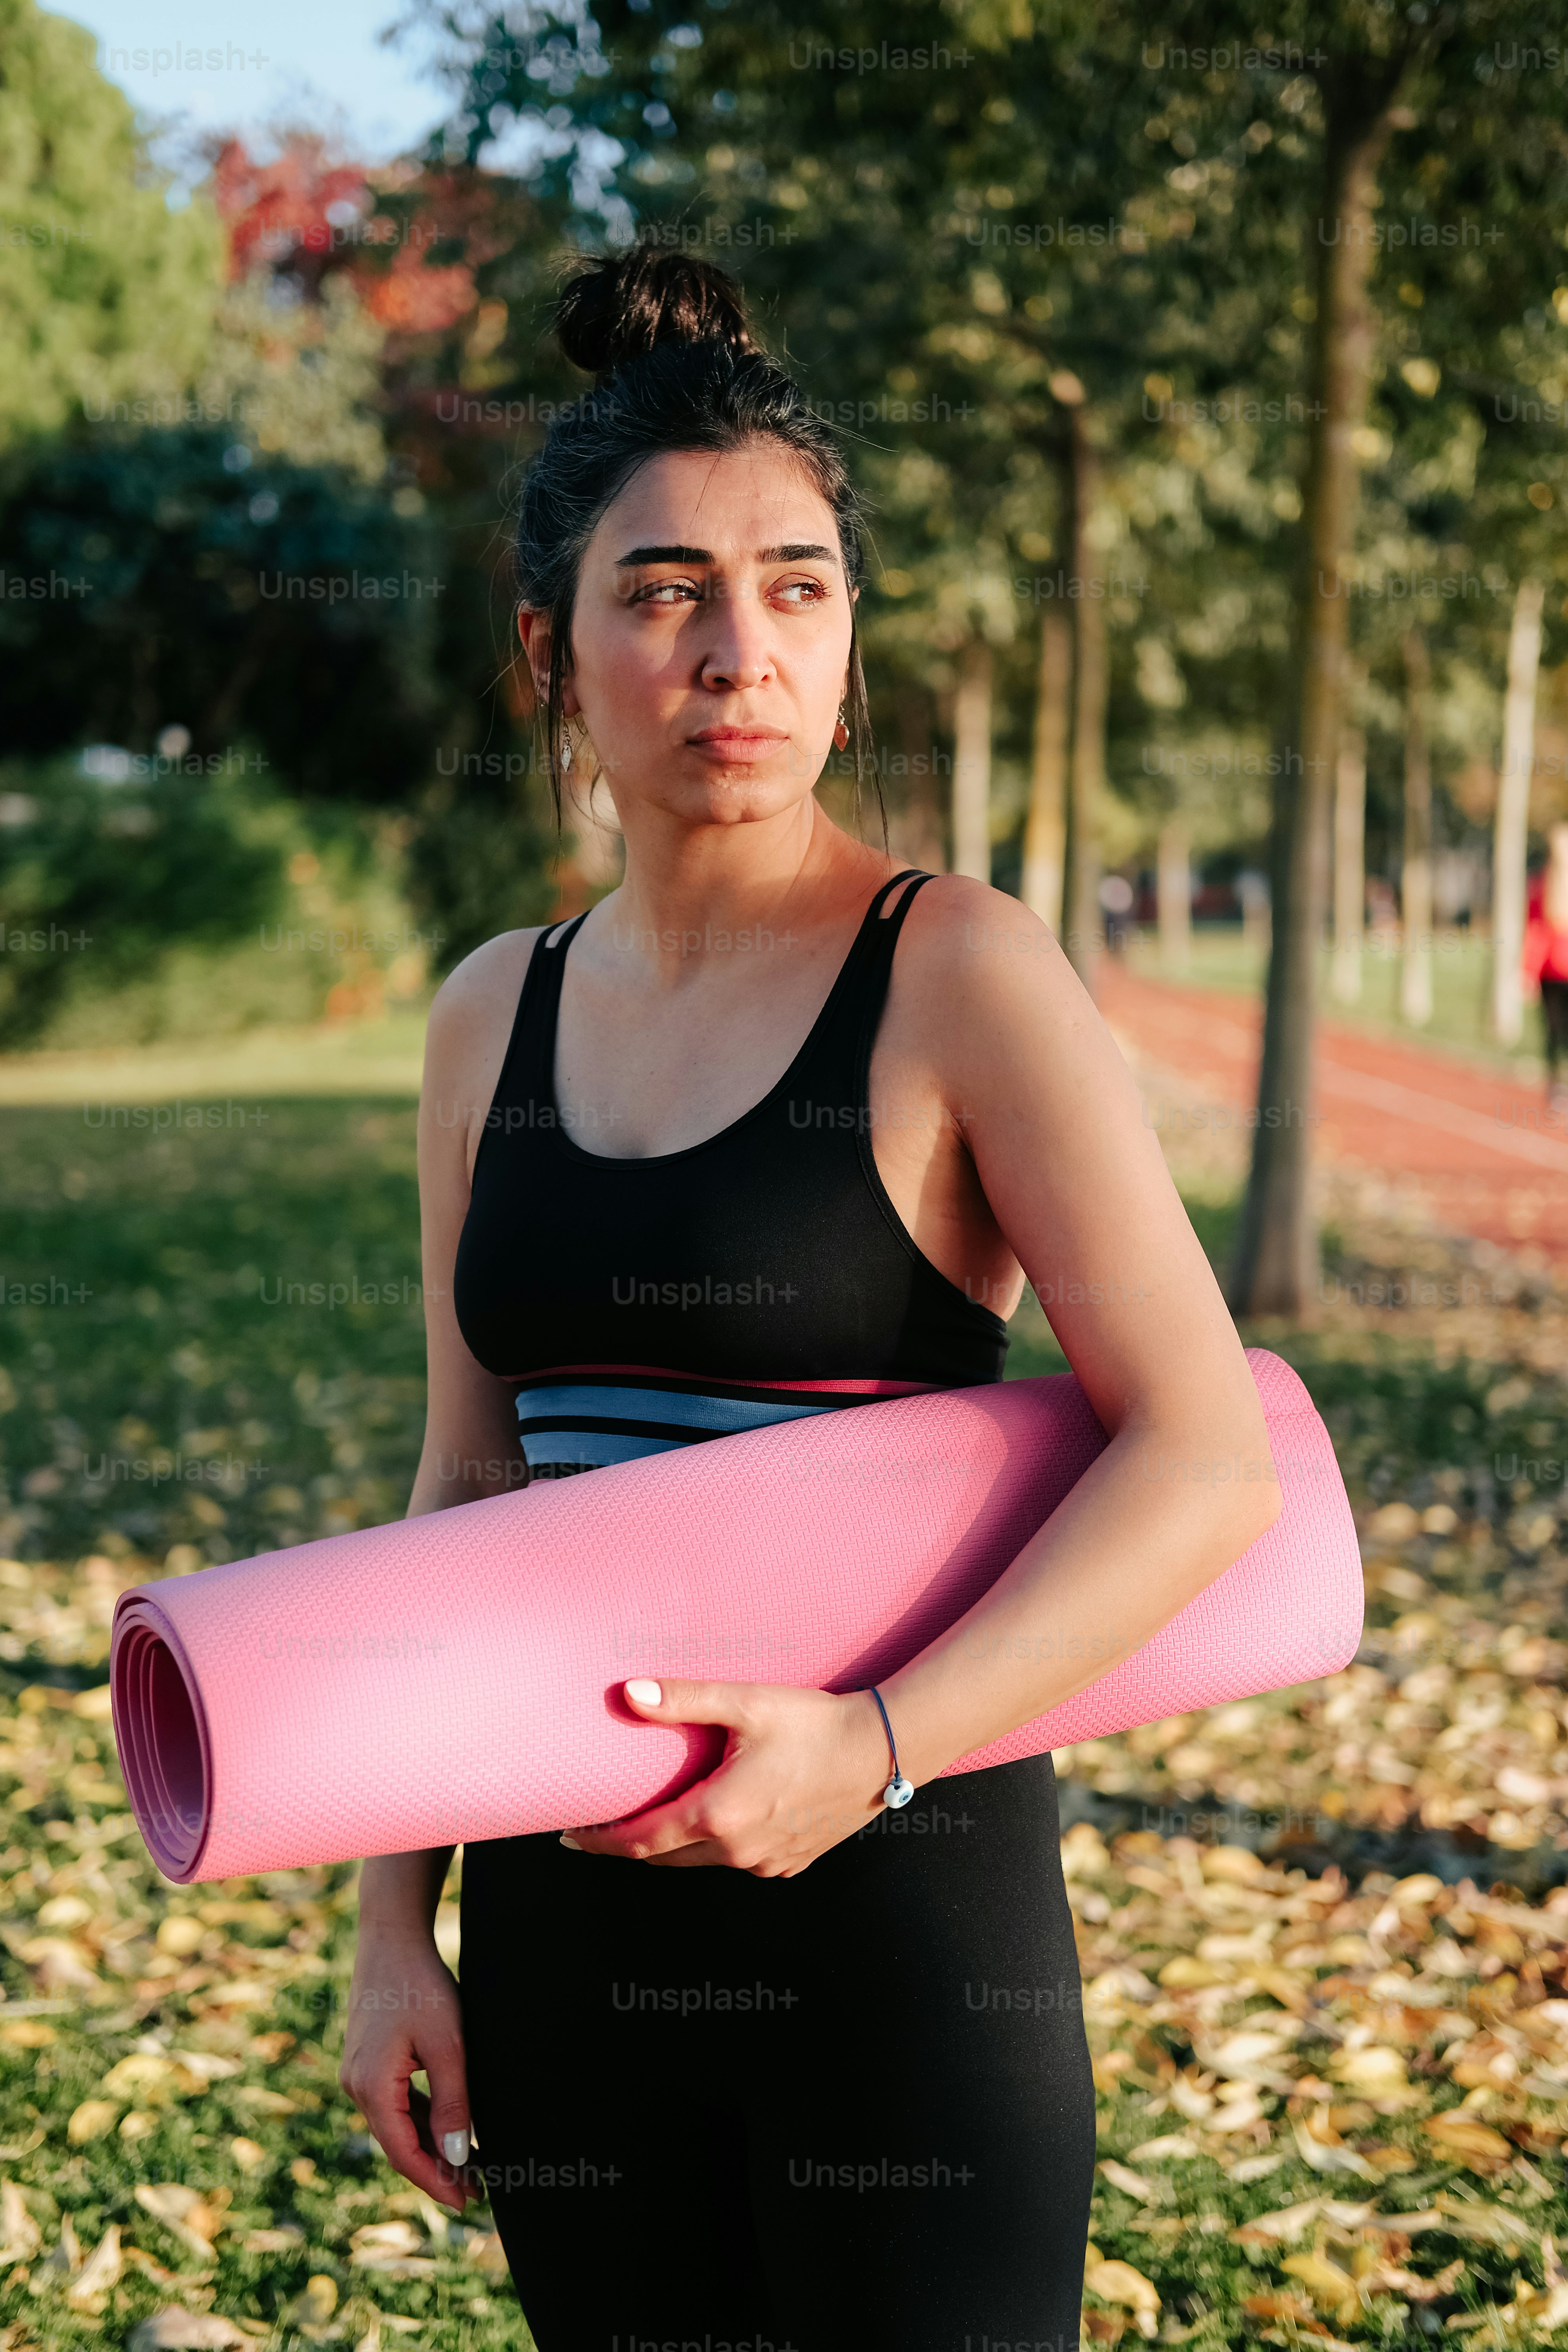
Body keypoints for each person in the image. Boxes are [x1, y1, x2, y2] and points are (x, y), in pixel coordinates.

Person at [340, 250, 1280, 2352]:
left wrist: (863, 1748)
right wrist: (396, 1932)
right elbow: (467, 1469)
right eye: (661, 590)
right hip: (562, 1940)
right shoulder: (490, 1013)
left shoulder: (956, 970)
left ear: (848, 644)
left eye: (794, 585)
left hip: (903, 1931)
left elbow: (1200, 1451)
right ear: (547, 653)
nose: (734, 650)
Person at [1524, 821, 1568, 1114]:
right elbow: (1536, 930)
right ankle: (1556, 1087)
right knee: (1554, 1033)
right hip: (1552, 974)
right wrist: (1528, 971)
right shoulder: (1543, 885)